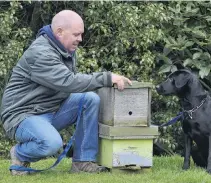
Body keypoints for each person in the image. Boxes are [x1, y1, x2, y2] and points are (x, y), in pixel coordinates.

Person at [0, 10, 132, 175]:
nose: (80, 39)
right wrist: (106, 78)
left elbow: (71, 82)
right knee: (51, 143)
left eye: (81, 34)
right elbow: (68, 81)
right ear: (59, 32)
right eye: (76, 34)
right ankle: (19, 153)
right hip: (22, 115)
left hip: (49, 109)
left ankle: (83, 162)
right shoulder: (41, 53)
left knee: (89, 99)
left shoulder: (64, 48)